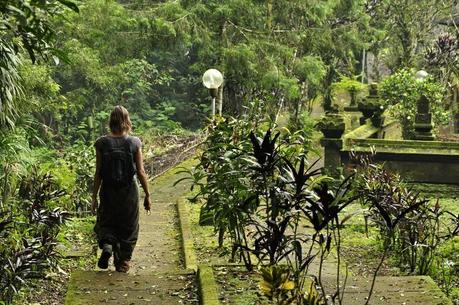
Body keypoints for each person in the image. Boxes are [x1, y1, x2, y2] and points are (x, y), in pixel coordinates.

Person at [91, 105, 151, 273]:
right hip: (129, 191)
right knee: (129, 226)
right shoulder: (134, 142)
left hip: (108, 190)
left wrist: (94, 196)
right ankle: (122, 262)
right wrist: (147, 194)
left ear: (111, 121)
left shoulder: (102, 143)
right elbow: (140, 171)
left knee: (107, 221)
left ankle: (108, 244)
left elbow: (98, 173)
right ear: (127, 121)